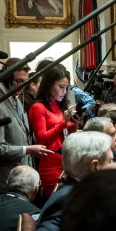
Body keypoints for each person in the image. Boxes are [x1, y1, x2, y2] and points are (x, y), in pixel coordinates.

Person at [20, 130, 114, 231]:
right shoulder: (69, 202)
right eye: (110, 161)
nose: (114, 166)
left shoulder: (77, 192)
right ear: (95, 166)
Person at [0, 62, 50, 192]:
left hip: (21, 178)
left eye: (25, 81)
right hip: (6, 182)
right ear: (6, 78)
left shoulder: (16, 98)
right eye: (18, 81)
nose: (23, 86)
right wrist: (27, 150)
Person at [29, 64, 81, 197]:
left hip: (64, 161)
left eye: (66, 87)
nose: (64, 91)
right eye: (61, 87)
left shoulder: (56, 106)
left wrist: (74, 124)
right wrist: (63, 122)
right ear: (49, 85)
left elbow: (64, 133)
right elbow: (42, 139)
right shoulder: (38, 107)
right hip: (50, 164)